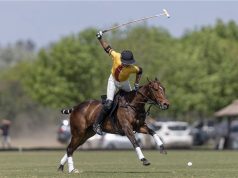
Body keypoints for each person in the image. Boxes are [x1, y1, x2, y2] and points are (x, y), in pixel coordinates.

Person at [93, 31, 143, 135]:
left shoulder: (132, 68)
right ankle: (97, 124)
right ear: (121, 59)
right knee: (108, 104)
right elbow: (107, 48)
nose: (127, 65)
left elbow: (140, 71)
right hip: (113, 81)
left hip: (124, 83)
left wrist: (137, 84)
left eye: (129, 63)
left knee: (134, 99)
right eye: (125, 63)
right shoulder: (116, 56)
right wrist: (100, 38)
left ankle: (135, 121)